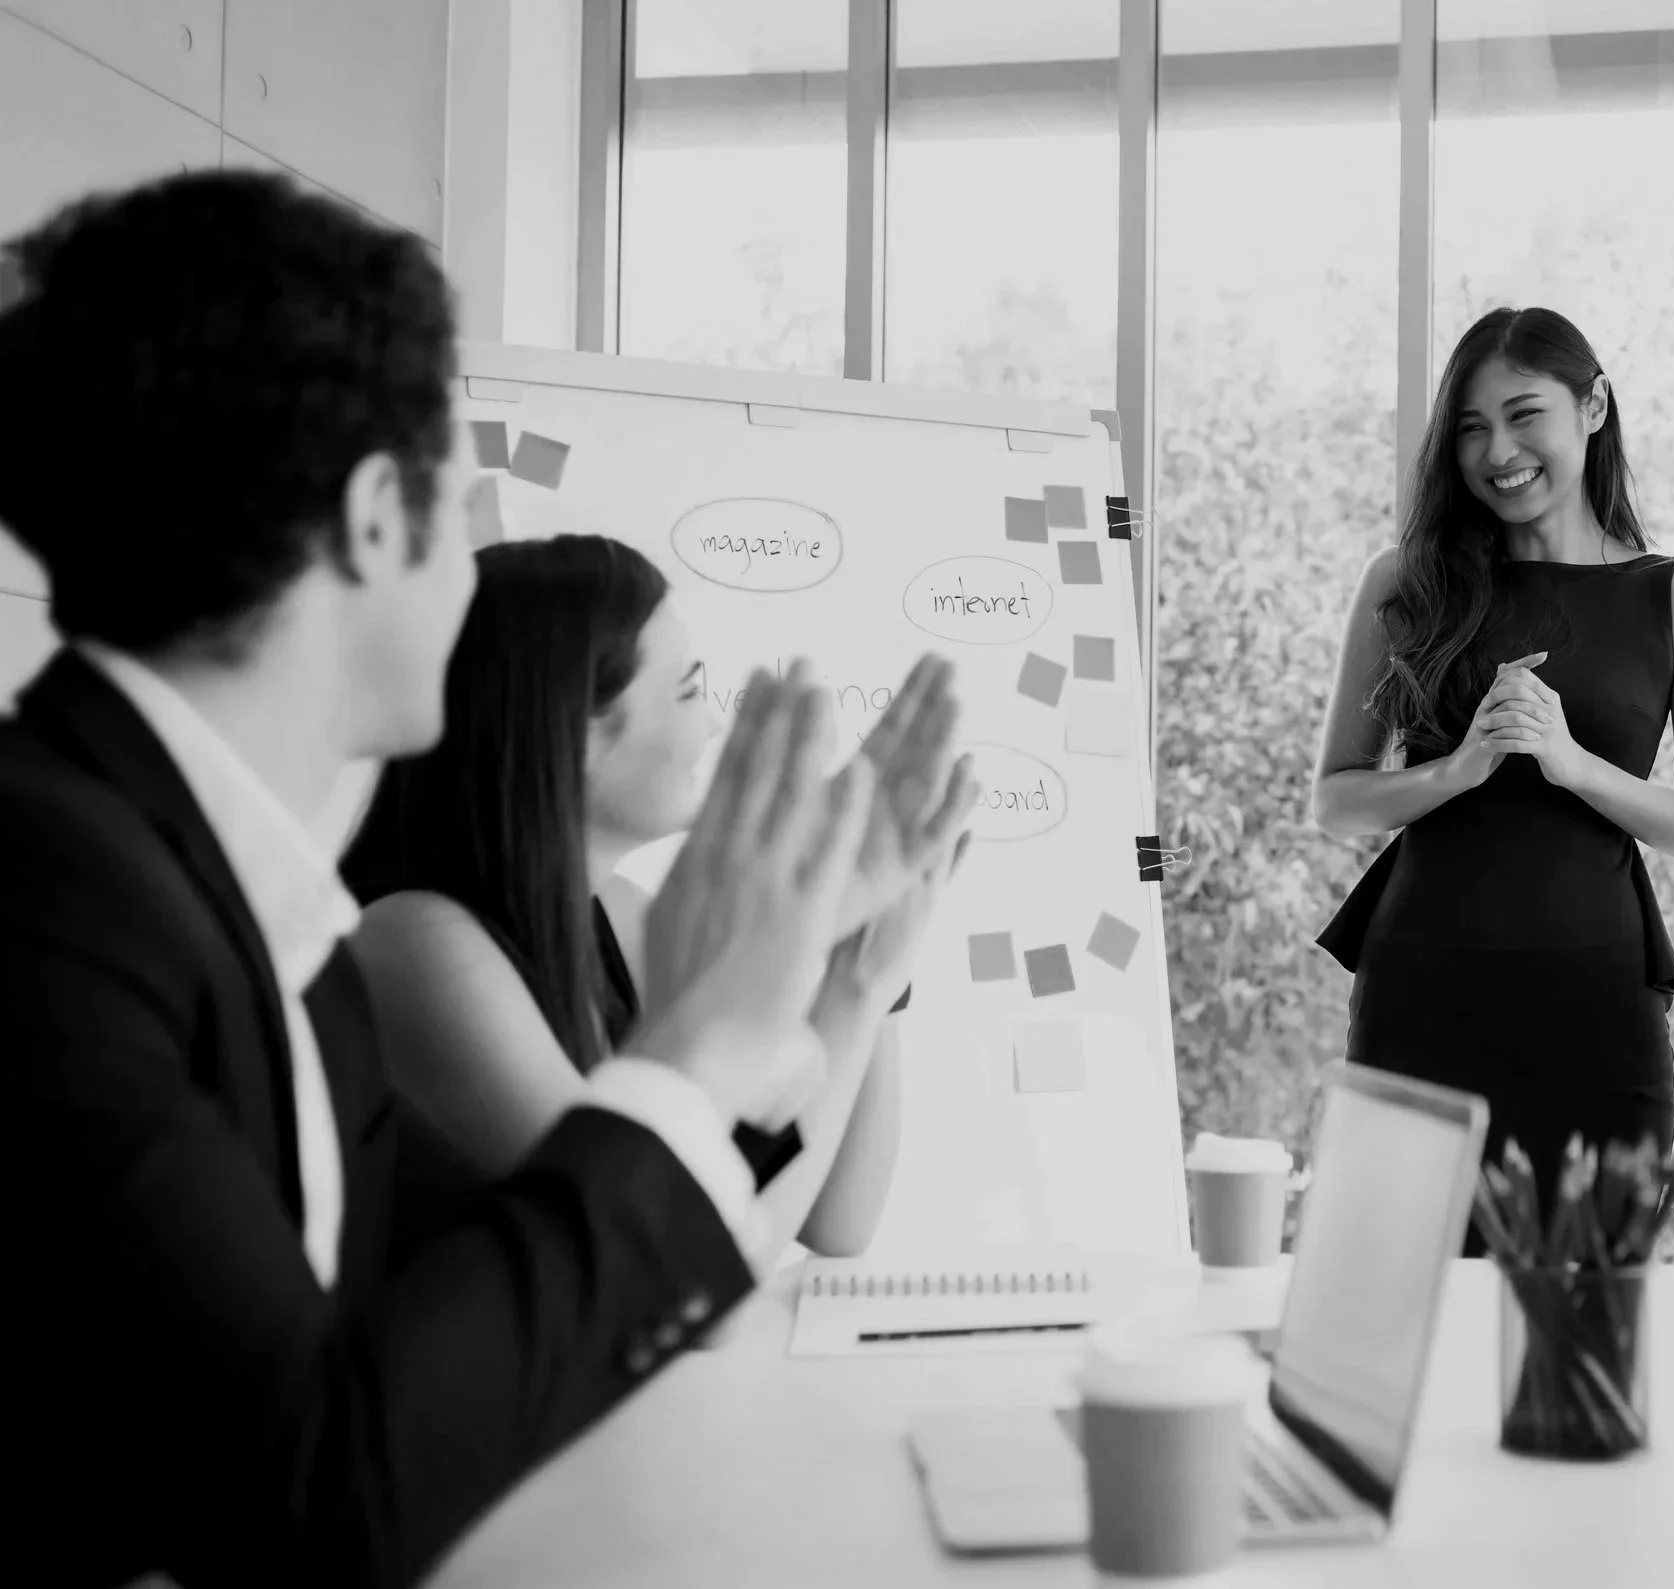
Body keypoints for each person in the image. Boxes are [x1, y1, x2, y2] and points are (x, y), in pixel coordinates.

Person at [0, 169, 957, 1587]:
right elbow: (308, 1493)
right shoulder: (46, 895)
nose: (468, 585)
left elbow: (469, 1319)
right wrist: (686, 1061)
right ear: (383, 515)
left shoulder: (267, 919)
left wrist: (810, 983)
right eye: (458, 507)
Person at [341, 535, 976, 1256]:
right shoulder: (419, 944)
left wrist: (854, 957)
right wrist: (845, 986)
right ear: (574, 732)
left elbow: (833, 1217)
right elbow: (675, 1261)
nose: (712, 724)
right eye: (687, 689)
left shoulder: (625, 917)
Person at [1309, 306, 1674, 1226]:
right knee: (1404, 1322)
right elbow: (1338, 799)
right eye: (1470, 427)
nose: (1497, 450)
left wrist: (1574, 763)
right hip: (1419, 1001)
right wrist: (1458, 771)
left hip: (1595, 1013)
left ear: (1593, 407)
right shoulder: (1405, 582)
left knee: (1585, 1325)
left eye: (1522, 414)